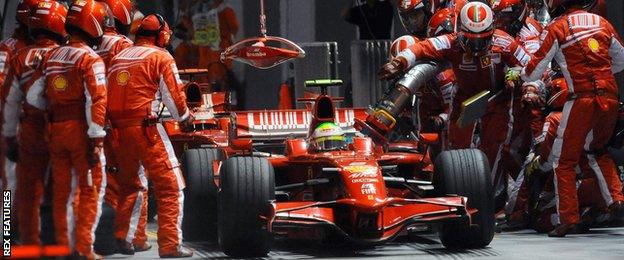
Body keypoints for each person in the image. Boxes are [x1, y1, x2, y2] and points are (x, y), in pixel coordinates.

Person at [379, 2, 530, 196]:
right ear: (460, 32)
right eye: (470, 40)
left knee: (494, 148)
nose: (476, 47)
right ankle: (458, 197)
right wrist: (399, 62)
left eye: (482, 40)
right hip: (464, 101)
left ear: (492, 31)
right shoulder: (450, 41)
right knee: (456, 151)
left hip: (497, 99)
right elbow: (421, 48)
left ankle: (489, 198)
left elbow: (529, 65)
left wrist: (514, 76)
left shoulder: (505, 42)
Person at [521, 0, 624, 237]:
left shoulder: (558, 26)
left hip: (581, 99)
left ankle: (568, 218)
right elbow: (621, 59)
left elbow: (534, 69)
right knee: (596, 149)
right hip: (610, 96)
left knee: (563, 160)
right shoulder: (602, 22)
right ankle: (616, 199)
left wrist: (524, 77)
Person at [107, 14, 194, 258]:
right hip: (146, 129)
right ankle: (170, 246)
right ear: (162, 35)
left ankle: (129, 238)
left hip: (117, 133)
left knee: (132, 185)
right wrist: (185, 118)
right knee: (171, 187)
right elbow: (175, 103)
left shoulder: (118, 57)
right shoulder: (161, 56)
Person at [27, 0, 109, 257]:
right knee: (90, 189)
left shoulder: (52, 56)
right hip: (82, 132)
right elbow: (95, 98)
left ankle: (63, 246)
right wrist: (96, 139)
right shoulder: (89, 58)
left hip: (56, 131)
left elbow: (33, 96)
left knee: (62, 191)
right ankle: (84, 249)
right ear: (92, 23)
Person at [2, 0, 67, 246]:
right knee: (13, 186)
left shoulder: (24, 52)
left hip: (34, 128)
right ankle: (7, 239)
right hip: (24, 128)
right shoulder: (10, 50)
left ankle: (34, 242)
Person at [0, 0, 38, 209]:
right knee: (9, 183)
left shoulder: (35, 49)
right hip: (10, 124)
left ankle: (16, 232)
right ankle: (5, 237)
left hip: (29, 126)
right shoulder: (8, 48)